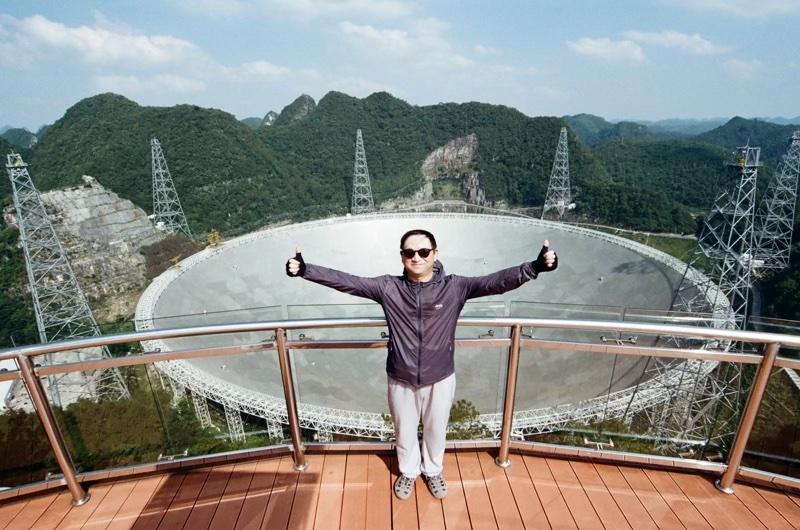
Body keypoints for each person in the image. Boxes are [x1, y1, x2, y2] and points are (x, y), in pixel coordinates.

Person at [286, 228, 557, 500]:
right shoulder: (388, 288)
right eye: (409, 252)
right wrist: (306, 270)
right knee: (404, 431)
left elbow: (495, 282)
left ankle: (433, 470)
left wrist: (534, 267)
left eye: (423, 252)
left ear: (435, 254)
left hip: (440, 376)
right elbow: (348, 282)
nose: (416, 257)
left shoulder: (455, 287)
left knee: (436, 430)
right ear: (402, 257)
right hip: (400, 375)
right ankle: (408, 471)